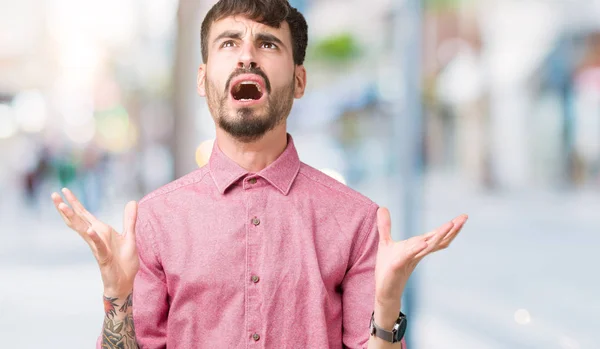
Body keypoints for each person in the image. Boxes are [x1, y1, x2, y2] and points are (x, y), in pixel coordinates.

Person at [51, 0, 468, 348]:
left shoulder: (358, 222)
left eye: (268, 43)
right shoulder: (156, 221)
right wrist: (117, 296)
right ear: (202, 78)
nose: (247, 54)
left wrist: (388, 301)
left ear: (299, 80)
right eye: (229, 42)